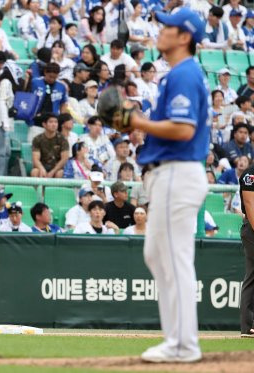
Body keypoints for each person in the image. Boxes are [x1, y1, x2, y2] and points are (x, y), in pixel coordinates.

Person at [121, 7, 210, 363]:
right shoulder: (177, 74)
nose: (159, 30)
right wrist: (137, 125)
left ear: (184, 36)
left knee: (174, 258)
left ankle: (183, 345)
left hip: (178, 172)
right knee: (157, 255)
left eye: (168, 27)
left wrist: (138, 119)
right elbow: (170, 128)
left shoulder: (185, 74)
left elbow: (183, 129)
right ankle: (177, 340)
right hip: (168, 171)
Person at [0, 61, 23, 176]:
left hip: (4, 122)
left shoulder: (5, 83)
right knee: (0, 152)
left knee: (6, 152)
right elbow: (2, 104)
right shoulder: (5, 82)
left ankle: (1, 175)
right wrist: (5, 123)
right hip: (0, 123)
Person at [29, 63, 69, 142]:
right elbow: (28, 99)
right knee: (34, 145)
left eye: (55, 77)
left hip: (53, 123)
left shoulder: (61, 86)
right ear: (45, 73)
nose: (52, 79)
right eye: (50, 76)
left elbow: (63, 104)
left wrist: (62, 120)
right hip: (36, 121)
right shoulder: (35, 82)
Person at [238, 155, 254, 337]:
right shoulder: (250, 175)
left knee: (252, 276)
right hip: (252, 229)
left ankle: (248, 326)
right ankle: (248, 325)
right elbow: (250, 206)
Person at [30, 113, 69, 178]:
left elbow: (64, 158)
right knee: (35, 171)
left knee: (60, 173)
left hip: (57, 168)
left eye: (56, 122)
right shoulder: (37, 139)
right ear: (44, 124)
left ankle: (56, 188)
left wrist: (53, 171)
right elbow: (35, 159)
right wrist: (41, 169)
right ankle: (39, 188)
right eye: (51, 122)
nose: (54, 124)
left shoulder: (63, 139)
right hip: (43, 166)